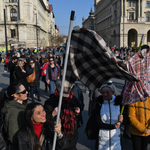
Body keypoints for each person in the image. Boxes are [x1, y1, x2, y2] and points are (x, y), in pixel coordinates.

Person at [44, 80, 81, 150]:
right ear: (58, 88)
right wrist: (52, 114)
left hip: (72, 139)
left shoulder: (72, 99)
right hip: (58, 141)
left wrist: (78, 113)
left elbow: (77, 119)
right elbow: (44, 118)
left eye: (68, 88)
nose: (66, 90)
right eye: (63, 88)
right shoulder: (51, 101)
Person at [94, 80, 123, 150]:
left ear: (112, 92)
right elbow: (98, 122)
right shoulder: (99, 103)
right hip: (103, 139)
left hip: (115, 138)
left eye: (107, 92)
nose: (105, 94)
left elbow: (125, 121)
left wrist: (122, 120)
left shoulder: (119, 103)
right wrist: (113, 126)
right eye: (103, 92)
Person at [1, 82, 27, 150]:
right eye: (23, 91)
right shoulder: (14, 111)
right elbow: (13, 136)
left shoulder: (21, 106)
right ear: (15, 95)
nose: (26, 92)